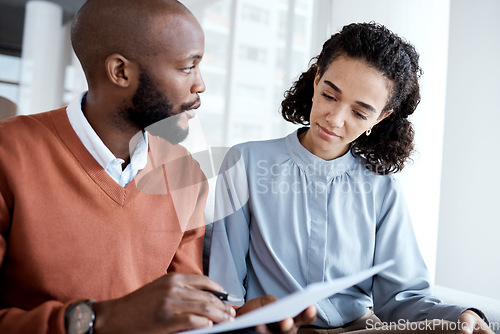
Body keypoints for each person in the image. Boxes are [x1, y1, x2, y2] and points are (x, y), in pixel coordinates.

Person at [0, 0, 315, 333]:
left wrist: (238, 322)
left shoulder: (185, 175)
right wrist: (102, 319)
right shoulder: (9, 153)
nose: (200, 85)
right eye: (187, 67)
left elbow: (184, 312)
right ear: (121, 72)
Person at [208, 22, 493, 334]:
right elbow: (226, 285)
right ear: (316, 80)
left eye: (360, 113)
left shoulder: (382, 190)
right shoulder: (245, 163)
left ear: (381, 117)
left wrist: (461, 315)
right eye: (330, 95)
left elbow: (401, 298)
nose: (335, 119)